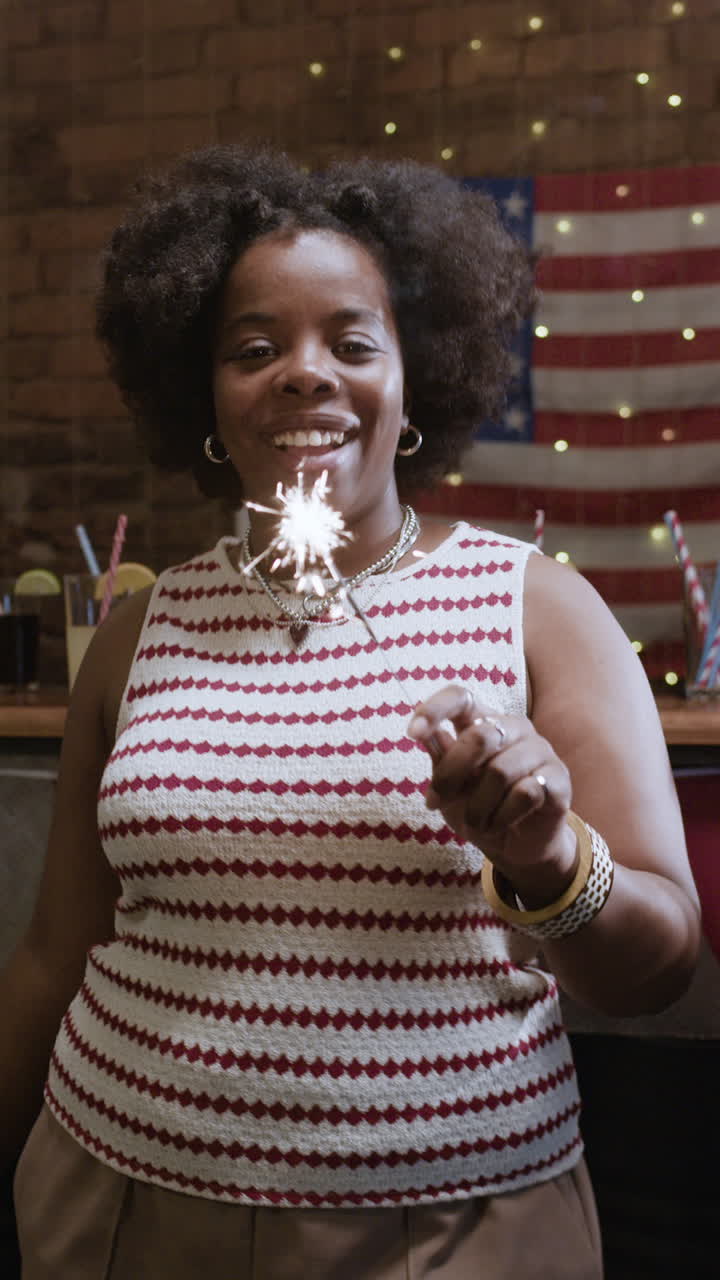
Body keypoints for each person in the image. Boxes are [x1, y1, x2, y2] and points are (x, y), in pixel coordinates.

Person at [2, 143, 700, 1279]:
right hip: (121, 1207)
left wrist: (546, 856)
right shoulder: (141, 630)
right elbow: (50, 959)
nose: (304, 374)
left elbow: (660, 965)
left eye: (353, 341)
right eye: (254, 348)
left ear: (414, 379)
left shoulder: (538, 605)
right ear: (205, 396)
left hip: (457, 1227)